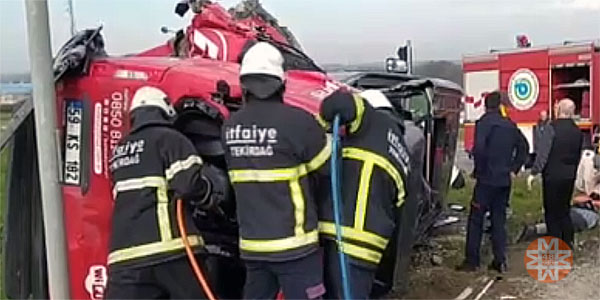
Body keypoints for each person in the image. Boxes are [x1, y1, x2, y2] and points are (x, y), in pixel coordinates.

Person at [221, 42, 329, 300]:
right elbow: (326, 171)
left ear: (244, 84)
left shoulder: (229, 128)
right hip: (296, 247)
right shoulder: (298, 122)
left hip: (253, 246)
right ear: (281, 83)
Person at [106, 86, 221, 299]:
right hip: (170, 250)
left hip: (124, 258)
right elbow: (188, 185)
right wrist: (210, 195)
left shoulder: (118, 150)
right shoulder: (170, 139)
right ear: (165, 111)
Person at [318, 89, 410, 299]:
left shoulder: (373, 122)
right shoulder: (400, 149)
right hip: (371, 247)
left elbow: (344, 103)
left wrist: (322, 119)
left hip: (345, 237)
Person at [457, 91, 528, 273]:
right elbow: (524, 147)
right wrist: (514, 168)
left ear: (486, 106)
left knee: (476, 219)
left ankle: (472, 261)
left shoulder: (483, 123)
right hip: (504, 181)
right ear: (500, 106)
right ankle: (499, 261)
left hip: (486, 180)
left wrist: (478, 170)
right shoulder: (510, 125)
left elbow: (479, 149)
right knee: (499, 220)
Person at [530, 99, 583, 249]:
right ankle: (568, 241)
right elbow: (577, 155)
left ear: (558, 110)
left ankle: (556, 245)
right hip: (569, 176)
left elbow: (543, 153)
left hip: (552, 176)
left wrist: (534, 171)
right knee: (564, 210)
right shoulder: (577, 131)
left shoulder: (551, 128)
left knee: (551, 212)